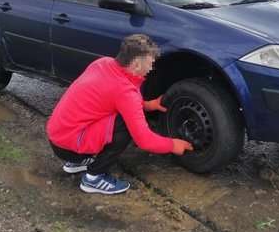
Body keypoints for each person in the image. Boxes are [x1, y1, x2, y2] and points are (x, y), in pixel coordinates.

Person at [47, 34, 193, 195]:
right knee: (125, 125)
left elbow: (111, 101)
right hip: (69, 145)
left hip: (58, 136)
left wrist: (148, 105)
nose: (151, 68)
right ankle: (94, 177)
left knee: (117, 116)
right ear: (137, 63)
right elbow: (144, 140)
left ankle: (77, 162)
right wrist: (173, 145)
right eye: (150, 63)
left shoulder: (103, 63)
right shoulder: (125, 91)